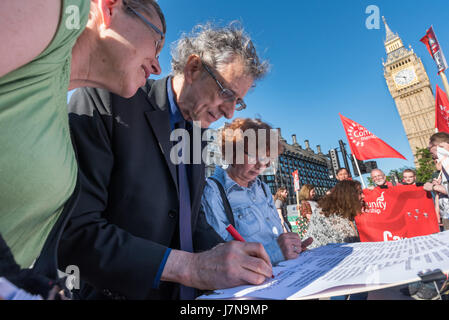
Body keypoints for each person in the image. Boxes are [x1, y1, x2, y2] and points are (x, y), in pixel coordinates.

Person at [59, 23, 274, 300]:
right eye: (226, 93)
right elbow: (76, 231)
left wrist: (235, 259)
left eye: (239, 102)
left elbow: (191, 220)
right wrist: (190, 268)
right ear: (194, 67)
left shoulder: (197, 135)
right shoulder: (108, 101)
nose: (230, 112)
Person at [0, 0, 166, 285]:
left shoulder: (61, 125)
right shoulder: (61, 11)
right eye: (157, 41)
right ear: (109, 8)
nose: (158, 66)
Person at [201, 118, 313, 266]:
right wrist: (276, 252)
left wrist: (292, 249)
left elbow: (275, 235)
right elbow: (221, 256)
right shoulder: (213, 192)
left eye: (267, 160)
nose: (261, 165)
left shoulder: (263, 189)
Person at [305, 180, 364, 250]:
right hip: (318, 257)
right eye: (360, 193)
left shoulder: (344, 212)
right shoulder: (327, 216)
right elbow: (348, 244)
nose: (363, 196)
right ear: (348, 196)